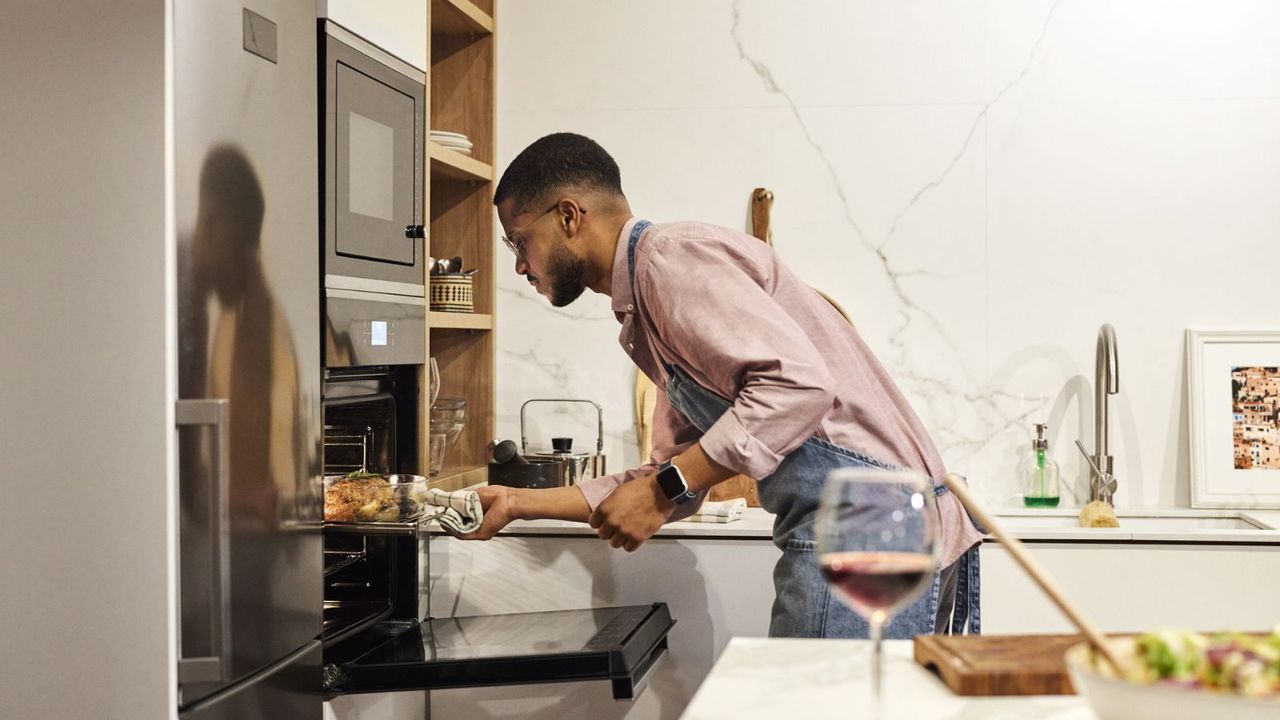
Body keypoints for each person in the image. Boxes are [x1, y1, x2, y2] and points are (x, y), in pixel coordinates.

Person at [462, 132, 984, 638]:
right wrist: (518, 503)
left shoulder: (669, 263)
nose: (518, 264)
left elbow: (797, 389)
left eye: (519, 239)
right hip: (876, 526)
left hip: (870, 531)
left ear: (570, 216)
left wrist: (664, 489)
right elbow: (677, 479)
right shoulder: (645, 306)